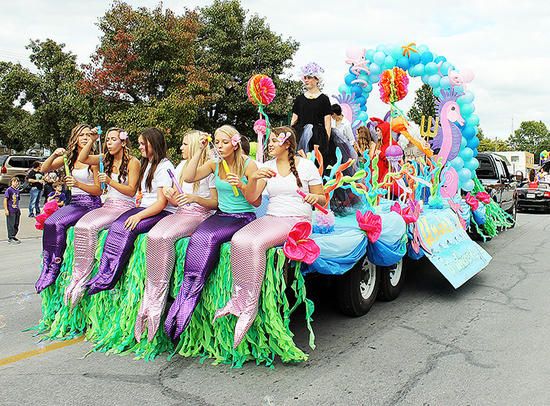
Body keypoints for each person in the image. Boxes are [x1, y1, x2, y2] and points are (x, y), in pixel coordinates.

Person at [215, 126, 325, 348]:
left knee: (255, 243)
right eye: (270, 141)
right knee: (238, 239)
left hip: (296, 221)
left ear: (287, 144)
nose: (270, 144)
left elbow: (323, 200)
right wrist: (251, 179)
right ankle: (237, 299)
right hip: (272, 216)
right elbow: (254, 200)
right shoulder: (266, 167)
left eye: (275, 140)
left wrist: (315, 197)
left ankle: (249, 306)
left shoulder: (305, 166)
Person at [164, 125, 259, 342]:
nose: (220, 146)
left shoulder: (248, 164)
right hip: (221, 215)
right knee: (198, 237)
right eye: (216, 142)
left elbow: (255, 199)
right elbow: (188, 177)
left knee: (209, 238)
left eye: (224, 142)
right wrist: (200, 149)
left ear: (235, 143)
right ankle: (179, 310)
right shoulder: (215, 163)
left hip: (242, 217)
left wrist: (243, 186)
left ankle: (187, 307)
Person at [134, 130, 218, 342]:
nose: (180, 148)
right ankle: (149, 299)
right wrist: (172, 196)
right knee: (154, 236)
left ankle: (157, 305)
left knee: (164, 237)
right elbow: (175, 202)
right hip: (182, 212)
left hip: (199, 215)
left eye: (183, 144)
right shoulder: (180, 166)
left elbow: (215, 203)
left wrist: (195, 198)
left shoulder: (209, 167)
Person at [85, 128, 174, 295]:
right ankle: (103, 273)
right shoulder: (147, 163)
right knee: (117, 225)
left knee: (126, 227)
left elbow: (161, 203)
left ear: (153, 144)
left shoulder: (164, 166)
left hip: (159, 212)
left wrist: (139, 215)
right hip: (144, 208)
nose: (139, 147)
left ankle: (109, 277)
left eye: (142, 144)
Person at [63, 128, 140, 307]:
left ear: (123, 142)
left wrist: (110, 181)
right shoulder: (105, 158)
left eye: (113, 139)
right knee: (81, 225)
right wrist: (92, 138)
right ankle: (77, 276)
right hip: (108, 205)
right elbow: (82, 158)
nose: (109, 143)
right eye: (107, 140)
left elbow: (131, 191)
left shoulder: (133, 162)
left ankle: (84, 279)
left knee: (90, 227)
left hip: (123, 206)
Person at [35, 124, 102, 293]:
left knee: (58, 224)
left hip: (89, 203)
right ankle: (47, 266)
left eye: (88, 135)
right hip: (74, 203)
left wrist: (78, 183)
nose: (85, 138)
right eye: (81, 135)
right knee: (50, 222)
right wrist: (54, 154)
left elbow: (98, 190)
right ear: (75, 138)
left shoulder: (93, 160)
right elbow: (44, 169)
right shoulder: (70, 158)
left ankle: (54, 269)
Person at [291, 62, 332, 159]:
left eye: (309, 77)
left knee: (317, 163)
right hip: (300, 135)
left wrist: (327, 140)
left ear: (317, 79)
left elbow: (327, 122)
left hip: (318, 138)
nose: (306, 80)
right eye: (304, 78)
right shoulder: (299, 99)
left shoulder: (324, 99)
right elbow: (293, 120)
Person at [4, 177, 21, 244]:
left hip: (16, 209)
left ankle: (13, 235)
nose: (16, 183)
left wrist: (18, 209)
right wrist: (6, 210)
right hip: (11, 210)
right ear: (11, 182)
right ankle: (10, 237)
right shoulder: (9, 190)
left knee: (16, 224)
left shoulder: (17, 190)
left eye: (17, 182)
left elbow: (17, 200)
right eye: (14, 181)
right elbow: (5, 200)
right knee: (11, 224)